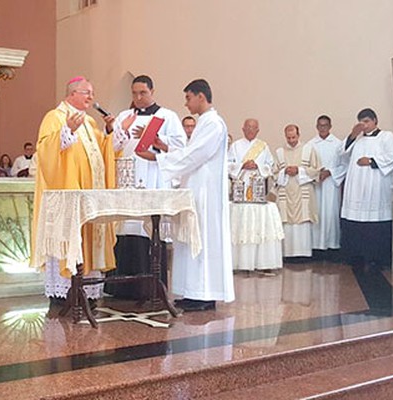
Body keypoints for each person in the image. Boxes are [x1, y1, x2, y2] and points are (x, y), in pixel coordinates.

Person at [31, 76, 134, 303]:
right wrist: (66, 130)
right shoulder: (55, 117)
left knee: (88, 241)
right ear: (72, 94)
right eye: (86, 92)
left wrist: (116, 132)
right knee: (69, 241)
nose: (91, 97)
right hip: (68, 198)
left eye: (91, 92)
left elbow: (105, 151)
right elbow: (45, 152)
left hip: (89, 199)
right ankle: (64, 294)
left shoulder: (89, 122)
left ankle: (87, 293)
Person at [136, 78, 234, 311]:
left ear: (201, 96)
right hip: (196, 189)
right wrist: (163, 146)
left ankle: (203, 294)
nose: (186, 104)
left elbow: (195, 156)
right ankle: (193, 292)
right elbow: (191, 152)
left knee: (201, 240)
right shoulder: (205, 123)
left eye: (189, 98)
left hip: (205, 194)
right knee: (191, 240)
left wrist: (158, 159)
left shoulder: (213, 123)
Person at [108, 75, 186, 300]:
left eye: (143, 93)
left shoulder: (168, 117)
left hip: (154, 177)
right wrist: (119, 130)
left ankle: (151, 287)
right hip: (127, 179)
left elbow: (180, 149)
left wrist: (157, 143)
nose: (138, 97)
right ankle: (122, 288)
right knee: (126, 228)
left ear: (152, 91)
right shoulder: (125, 116)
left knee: (150, 230)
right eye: (134, 93)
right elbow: (112, 145)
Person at [340, 108, 393, 270]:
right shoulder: (357, 139)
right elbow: (342, 155)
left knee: (375, 223)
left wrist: (372, 161)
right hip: (357, 186)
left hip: (376, 186)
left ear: (375, 121)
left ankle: (376, 258)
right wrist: (352, 135)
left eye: (367, 121)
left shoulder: (386, 136)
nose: (364, 126)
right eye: (361, 122)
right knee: (356, 221)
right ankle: (356, 256)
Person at [274, 124, 320, 258]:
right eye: (288, 138)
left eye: (294, 137)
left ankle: (303, 254)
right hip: (286, 191)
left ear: (298, 135)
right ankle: (288, 254)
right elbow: (274, 173)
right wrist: (284, 171)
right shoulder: (279, 152)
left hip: (302, 192)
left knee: (303, 222)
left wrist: (299, 171)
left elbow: (316, 170)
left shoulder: (308, 149)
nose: (291, 140)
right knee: (287, 223)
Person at [306, 115, 347, 256]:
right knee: (317, 213)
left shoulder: (338, 144)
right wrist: (316, 173)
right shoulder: (310, 145)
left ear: (330, 126)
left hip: (331, 184)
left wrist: (330, 172)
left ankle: (332, 247)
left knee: (331, 214)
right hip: (316, 184)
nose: (322, 128)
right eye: (320, 126)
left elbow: (344, 165)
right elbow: (306, 165)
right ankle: (316, 247)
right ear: (316, 127)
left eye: (325, 125)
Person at [227, 118, 274, 191]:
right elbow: (228, 164)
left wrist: (257, 166)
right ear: (243, 129)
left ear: (257, 131)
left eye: (253, 128)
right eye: (248, 127)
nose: (250, 130)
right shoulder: (235, 146)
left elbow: (270, 165)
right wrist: (242, 166)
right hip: (240, 186)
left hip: (258, 185)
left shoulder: (263, 146)